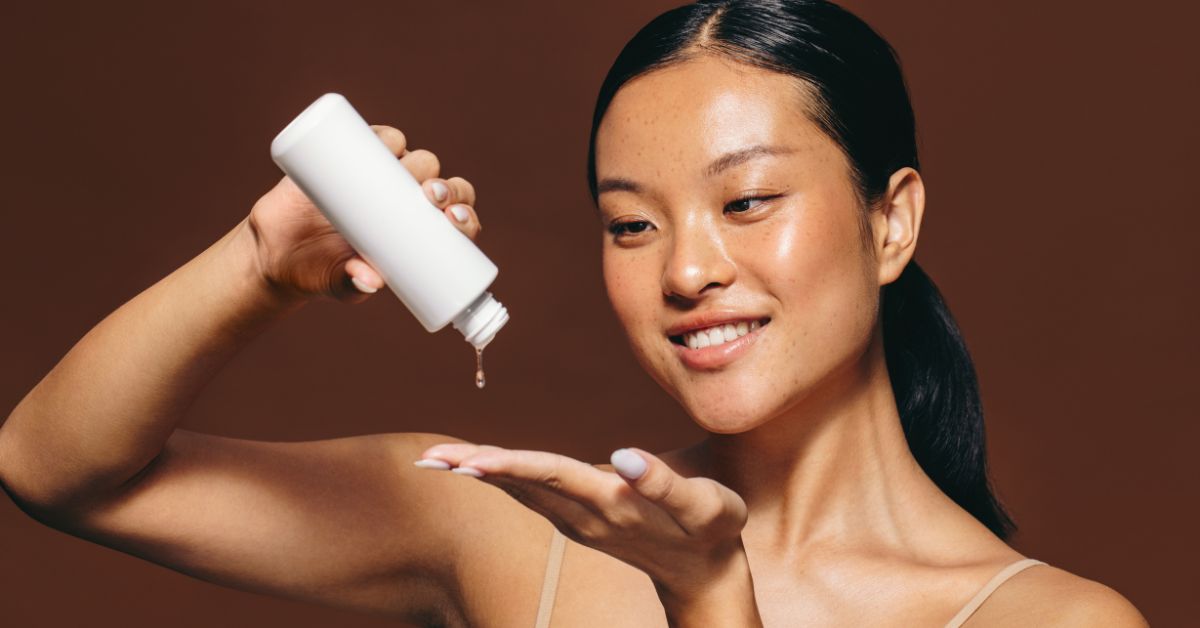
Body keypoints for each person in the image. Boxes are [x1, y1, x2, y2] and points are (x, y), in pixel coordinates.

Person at [0, 0, 1148, 626]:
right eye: (631, 224)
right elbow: (60, 470)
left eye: (746, 200)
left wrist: (710, 602)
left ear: (890, 221)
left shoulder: (1049, 622)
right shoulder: (506, 530)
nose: (686, 271)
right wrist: (259, 264)